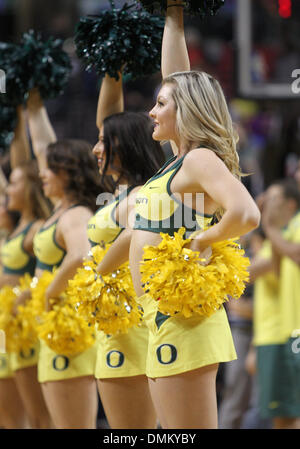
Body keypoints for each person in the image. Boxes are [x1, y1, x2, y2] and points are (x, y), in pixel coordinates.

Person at [98, 1, 260, 429]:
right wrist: (173, 13)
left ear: (184, 110)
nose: (150, 111)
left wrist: (203, 242)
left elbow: (246, 212)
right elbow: (175, 79)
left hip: (183, 321)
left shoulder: (200, 159)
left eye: (160, 104)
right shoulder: (177, 162)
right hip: (160, 317)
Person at [89, 67, 165, 429]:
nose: (96, 148)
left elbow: (137, 231)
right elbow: (108, 118)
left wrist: (99, 267)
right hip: (114, 324)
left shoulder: (138, 196)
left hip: (130, 328)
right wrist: (113, 71)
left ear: (126, 147)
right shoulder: (121, 191)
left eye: (104, 141)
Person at [25, 89, 102, 429]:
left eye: (50, 169)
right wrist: (33, 105)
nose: (42, 174)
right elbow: (42, 147)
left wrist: (50, 291)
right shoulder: (62, 210)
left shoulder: (75, 215)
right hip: (55, 324)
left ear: (67, 173)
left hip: (68, 325)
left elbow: (81, 254)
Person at [0, 106, 52, 429]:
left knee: (38, 419)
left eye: (15, 184)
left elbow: (47, 270)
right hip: (8, 330)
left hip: (28, 328)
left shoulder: (38, 227)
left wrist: (25, 111)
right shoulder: (17, 227)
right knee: (10, 420)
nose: (7, 190)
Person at [261, 177, 300, 429]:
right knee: (286, 413)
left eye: (275, 198)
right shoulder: (290, 226)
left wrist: (271, 229)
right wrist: (271, 228)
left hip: (292, 328)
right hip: (290, 329)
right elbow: (276, 273)